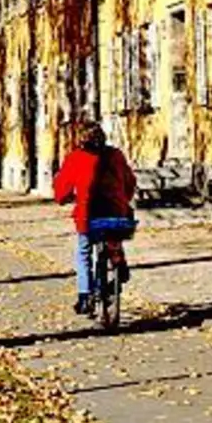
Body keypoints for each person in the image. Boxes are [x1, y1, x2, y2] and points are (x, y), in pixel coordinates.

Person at [53, 122, 137, 315]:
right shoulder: (115, 155)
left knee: (84, 252)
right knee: (114, 235)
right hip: (116, 213)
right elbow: (130, 181)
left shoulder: (75, 158)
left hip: (88, 216)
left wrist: (64, 198)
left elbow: (62, 189)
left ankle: (85, 296)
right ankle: (119, 264)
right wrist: (123, 198)